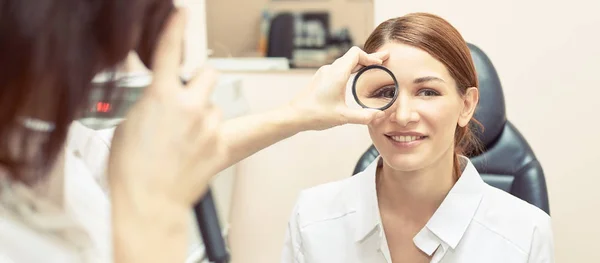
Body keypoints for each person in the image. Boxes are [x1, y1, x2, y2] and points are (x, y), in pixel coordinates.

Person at [0, 0, 388, 262]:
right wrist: (157, 214)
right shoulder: (316, 217)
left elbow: (132, 155)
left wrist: (300, 113)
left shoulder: (48, 145)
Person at [281, 13, 554, 263]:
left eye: (427, 92)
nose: (402, 115)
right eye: (385, 92)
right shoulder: (312, 219)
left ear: (467, 105)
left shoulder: (525, 235)